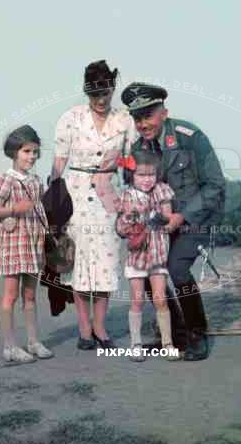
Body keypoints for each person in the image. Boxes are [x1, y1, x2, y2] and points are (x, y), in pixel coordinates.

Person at [121, 82, 225, 361]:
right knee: (145, 272)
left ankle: (196, 332)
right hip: (158, 224)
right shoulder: (136, 149)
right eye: (137, 117)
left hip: (195, 219)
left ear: (163, 113)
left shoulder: (189, 137)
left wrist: (182, 216)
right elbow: (132, 191)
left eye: (148, 115)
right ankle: (173, 334)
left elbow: (215, 186)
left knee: (177, 269)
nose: (142, 124)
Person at [51, 60, 136, 350]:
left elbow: (131, 162)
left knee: (107, 263)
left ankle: (100, 326)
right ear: (86, 92)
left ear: (112, 90)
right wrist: (53, 199)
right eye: (95, 95)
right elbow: (59, 161)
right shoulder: (70, 118)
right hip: (75, 197)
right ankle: (84, 329)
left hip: (108, 196)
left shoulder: (124, 120)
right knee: (79, 264)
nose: (101, 101)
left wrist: (120, 165)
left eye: (106, 94)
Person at [0, 125, 54, 363]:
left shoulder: (35, 181)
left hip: (32, 243)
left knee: (30, 295)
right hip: (14, 244)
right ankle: (9, 346)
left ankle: (33, 342)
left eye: (35, 152)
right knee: (11, 295)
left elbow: (39, 213)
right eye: (27, 151)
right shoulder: (6, 180)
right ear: (14, 152)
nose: (32, 157)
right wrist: (16, 209)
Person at [116, 150, 180, 362]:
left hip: (158, 253)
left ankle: (167, 343)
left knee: (161, 299)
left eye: (151, 174)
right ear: (131, 175)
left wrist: (154, 216)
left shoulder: (161, 190)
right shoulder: (126, 195)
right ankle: (136, 344)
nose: (147, 179)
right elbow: (120, 228)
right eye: (141, 175)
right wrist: (128, 221)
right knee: (137, 300)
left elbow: (168, 216)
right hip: (137, 255)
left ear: (157, 174)